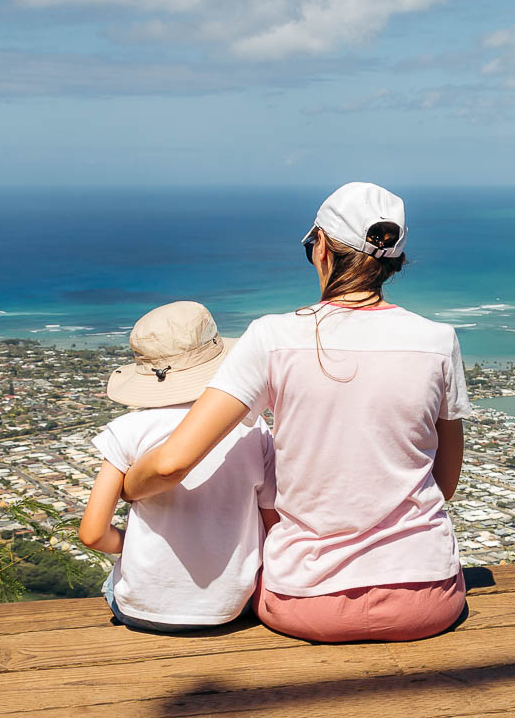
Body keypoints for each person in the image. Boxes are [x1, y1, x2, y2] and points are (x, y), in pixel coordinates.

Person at [123, 182, 471, 642]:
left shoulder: (272, 337)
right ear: (394, 262)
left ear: (321, 247)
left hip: (304, 601)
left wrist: (128, 488)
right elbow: (444, 482)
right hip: (429, 596)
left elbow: (172, 462)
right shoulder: (438, 341)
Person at [78, 301, 276, 633]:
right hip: (233, 607)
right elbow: (272, 523)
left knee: (113, 584)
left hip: (139, 609)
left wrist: (131, 545)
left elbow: (92, 533)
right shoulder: (252, 431)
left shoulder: (126, 431)